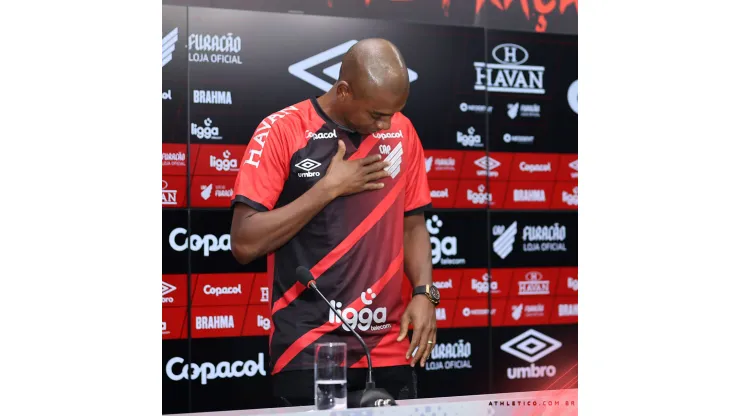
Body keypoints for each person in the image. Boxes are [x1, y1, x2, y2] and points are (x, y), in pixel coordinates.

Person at [230, 38, 440, 406]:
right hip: (308, 348)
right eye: (376, 114)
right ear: (344, 91)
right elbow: (244, 242)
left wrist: (424, 291)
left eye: (394, 112)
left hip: (388, 347)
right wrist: (327, 188)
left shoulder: (402, 131)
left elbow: (413, 223)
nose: (386, 124)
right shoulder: (283, 130)